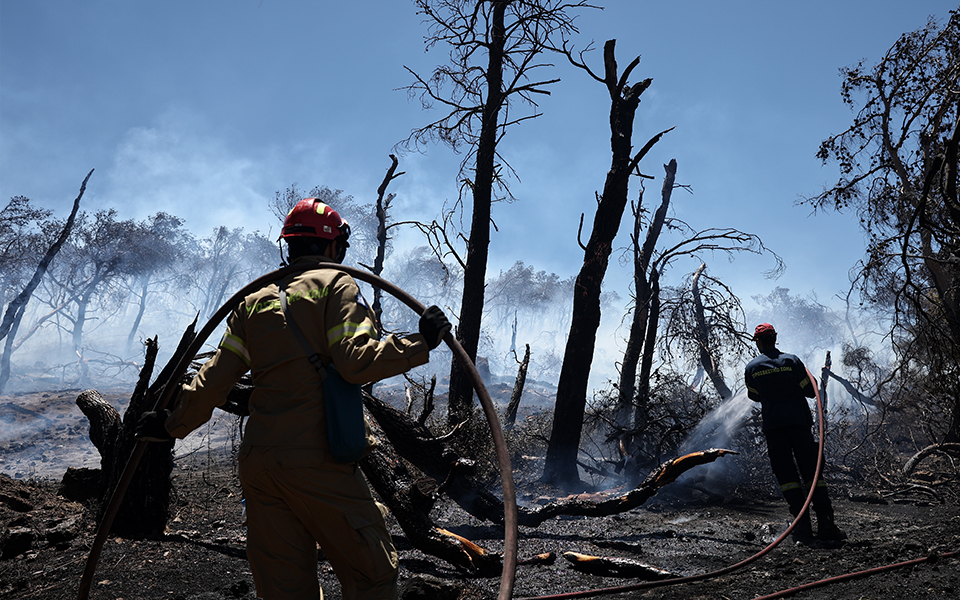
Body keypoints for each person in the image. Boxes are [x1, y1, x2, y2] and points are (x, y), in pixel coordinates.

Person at [136, 198, 451, 600]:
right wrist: (421, 340)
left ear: (290, 246)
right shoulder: (337, 284)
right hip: (316, 460)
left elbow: (215, 377)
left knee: (284, 589)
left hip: (261, 463)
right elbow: (355, 362)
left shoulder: (254, 301)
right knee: (371, 573)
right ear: (334, 246)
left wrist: (170, 425)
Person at [744, 323, 846, 547]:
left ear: (759, 342)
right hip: (799, 426)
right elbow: (810, 392)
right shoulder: (792, 361)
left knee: (787, 478)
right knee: (813, 475)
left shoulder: (752, 367)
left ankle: (802, 529)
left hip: (774, 430)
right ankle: (827, 526)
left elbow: (755, 396)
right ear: (775, 338)